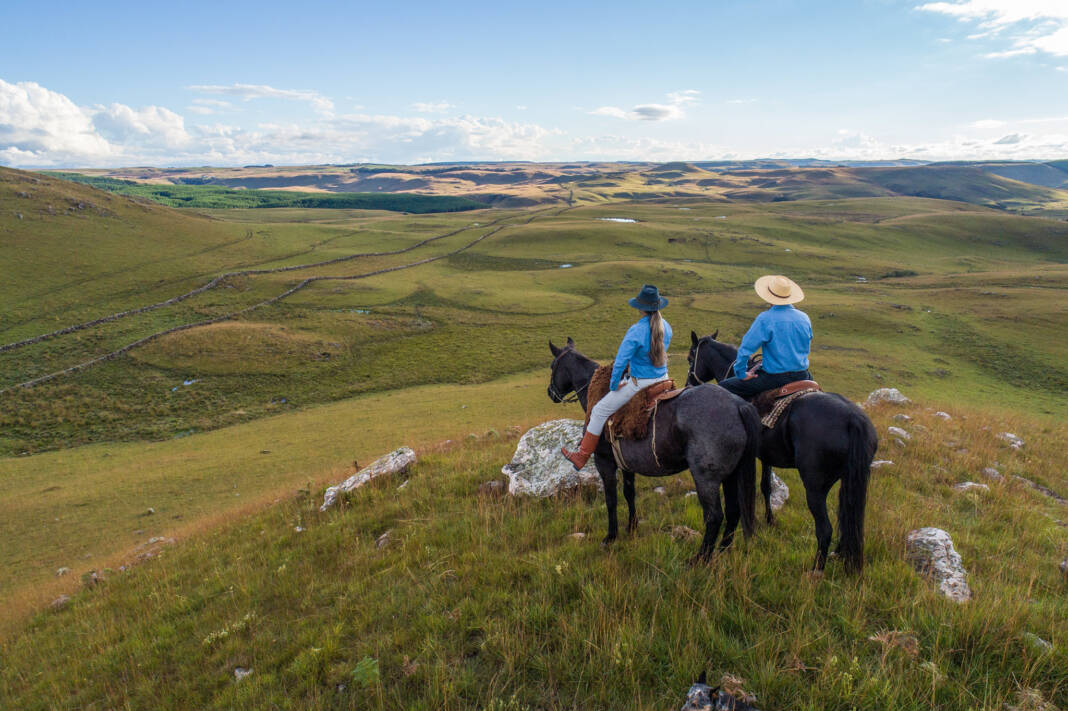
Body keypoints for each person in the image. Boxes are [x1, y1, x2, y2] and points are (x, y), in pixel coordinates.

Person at [562, 284, 673, 470]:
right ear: (658, 305)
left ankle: (582, 456)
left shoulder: (636, 330)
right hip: (664, 379)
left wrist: (614, 385)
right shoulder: (666, 327)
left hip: (640, 384)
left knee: (599, 411)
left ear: (640, 307)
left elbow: (621, 362)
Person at [718, 274, 813, 400]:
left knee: (722, 388)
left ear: (769, 296)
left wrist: (741, 373)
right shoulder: (804, 317)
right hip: (803, 375)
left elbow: (746, 349)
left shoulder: (766, 318)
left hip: (775, 378)